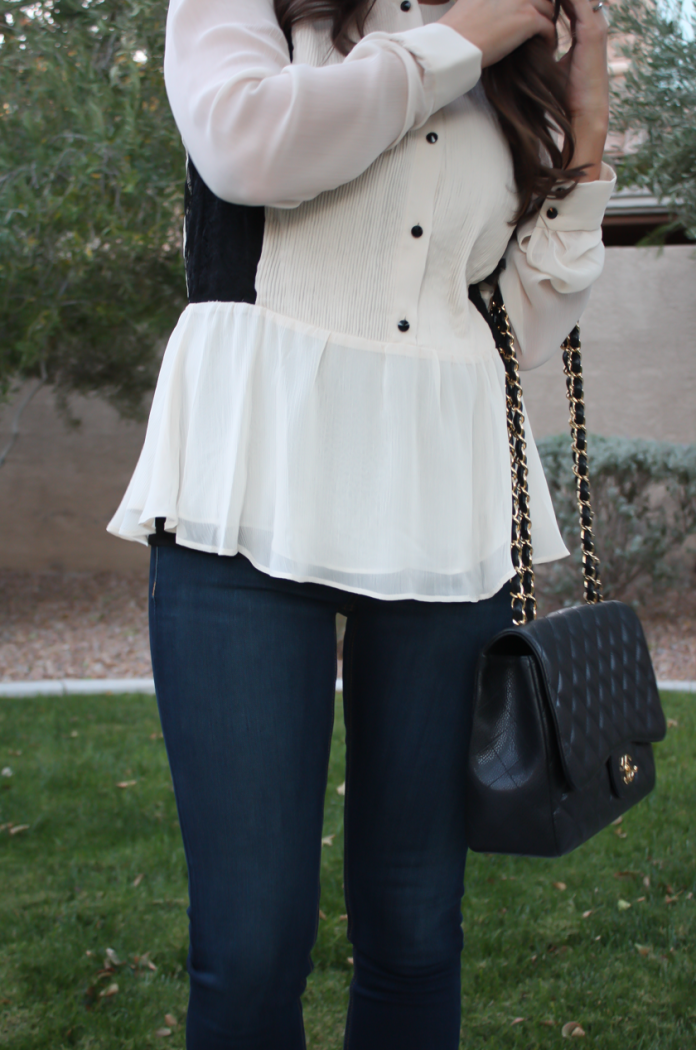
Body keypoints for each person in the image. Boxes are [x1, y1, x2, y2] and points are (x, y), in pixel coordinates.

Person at [108, 0, 613, 1043]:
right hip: (249, 479)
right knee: (249, 948)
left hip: (441, 486)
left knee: (418, 926)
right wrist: (463, 38)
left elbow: (517, 313)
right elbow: (250, 148)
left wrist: (587, 113)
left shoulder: (506, 48)